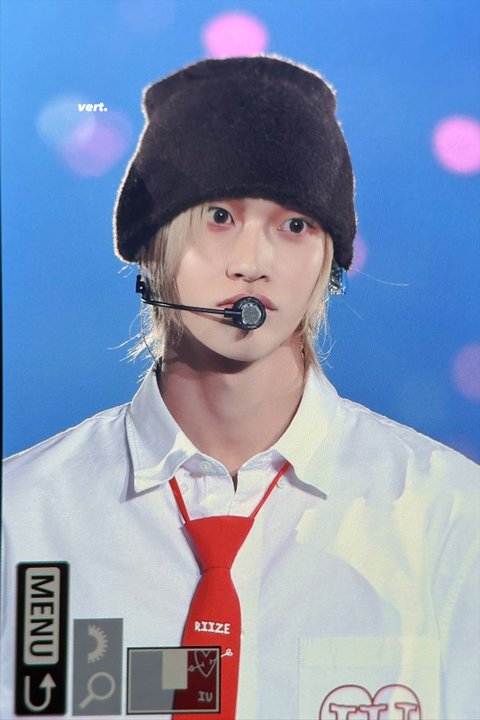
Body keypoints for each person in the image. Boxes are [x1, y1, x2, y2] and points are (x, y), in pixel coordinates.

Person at [1, 56, 479, 720]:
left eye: (295, 225)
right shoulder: (22, 516)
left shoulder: (450, 514)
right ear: (151, 245)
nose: (253, 264)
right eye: (220, 216)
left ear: (329, 260)